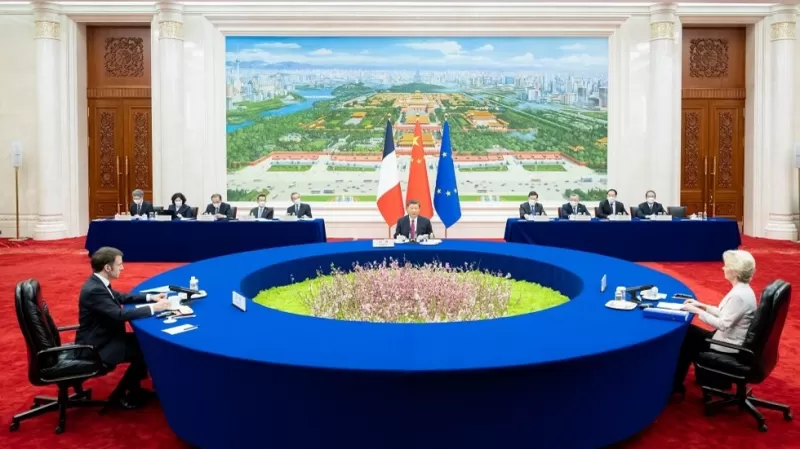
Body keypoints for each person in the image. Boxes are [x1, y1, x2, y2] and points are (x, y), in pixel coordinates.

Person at [75, 247, 171, 409]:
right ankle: (120, 396)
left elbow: (120, 297)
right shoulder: (94, 290)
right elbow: (119, 315)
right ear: (107, 267)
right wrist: (154, 308)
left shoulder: (98, 283)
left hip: (105, 336)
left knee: (144, 343)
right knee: (145, 350)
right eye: (119, 264)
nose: (123, 268)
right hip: (98, 346)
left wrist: (151, 297)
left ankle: (134, 389)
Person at [673, 250, 758, 395]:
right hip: (729, 339)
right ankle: (692, 380)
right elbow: (725, 313)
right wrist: (702, 306)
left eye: (726, 266)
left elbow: (722, 324)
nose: (723, 268)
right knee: (689, 332)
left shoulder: (738, 296)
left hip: (727, 345)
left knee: (687, 341)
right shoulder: (743, 290)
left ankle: (676, 385)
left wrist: (697, 311)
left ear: (735, 271)